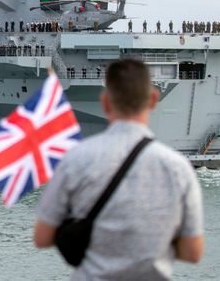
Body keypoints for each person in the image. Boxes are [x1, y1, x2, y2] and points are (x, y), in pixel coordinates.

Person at [33, 59, 203, 280]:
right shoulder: (178, 167)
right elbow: (193, 252)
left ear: (104, 102)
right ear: (153, 99)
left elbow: (42, 238)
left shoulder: (75, 159)